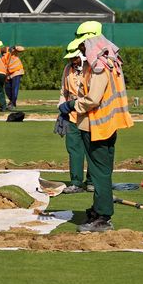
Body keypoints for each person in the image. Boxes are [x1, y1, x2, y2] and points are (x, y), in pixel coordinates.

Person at [59, 34, 133, 232]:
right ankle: (99, 210)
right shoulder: (112, 63)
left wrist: (71, 105)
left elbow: (92, 99)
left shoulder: (100, 67)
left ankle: (102, 217)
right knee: (103, 172)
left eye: (83, 45)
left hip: (97, 126)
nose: (82, 50)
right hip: (107, 124)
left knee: (99, 173)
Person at [58, 38, 93, 194]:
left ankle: (92, 181)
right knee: (74, 150)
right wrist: (61, 111)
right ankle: (76, 182)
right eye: (71, 58)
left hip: (90, 115)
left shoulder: (92, 68)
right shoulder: (67, 69)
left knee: (92, 150)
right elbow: (63, 92)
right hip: (72, 116)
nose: (73, 61)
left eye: (75, 57)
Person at [4, 45, 25, 110]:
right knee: (7, 89)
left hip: (17, 71)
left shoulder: (10, 50)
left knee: (14, 88)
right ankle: (12, 102)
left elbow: (22, 48)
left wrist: (15, 47)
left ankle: (13, 103)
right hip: (8, 75)